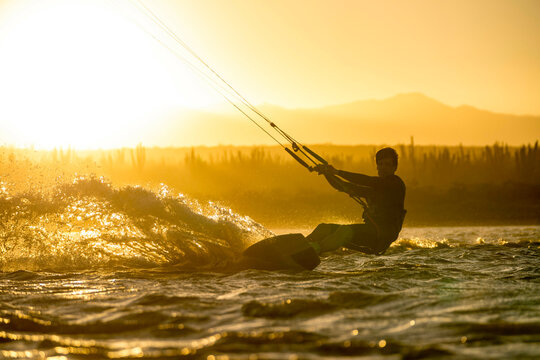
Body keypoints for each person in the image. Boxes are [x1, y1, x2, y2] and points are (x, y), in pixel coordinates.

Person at [306, 147, 406, 255]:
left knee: (344, 231)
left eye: (387, 164)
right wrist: (327, 173)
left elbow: (367, 180)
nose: (383, 167)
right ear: (377, 166)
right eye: (380, 164)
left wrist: (337, 172)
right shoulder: (372, 190)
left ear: (394, 168)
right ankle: (300, 246)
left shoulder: (396, 184)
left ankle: (311, 251)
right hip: (368, 232)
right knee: (323, 228)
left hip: (381, 236)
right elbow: (342, 186)